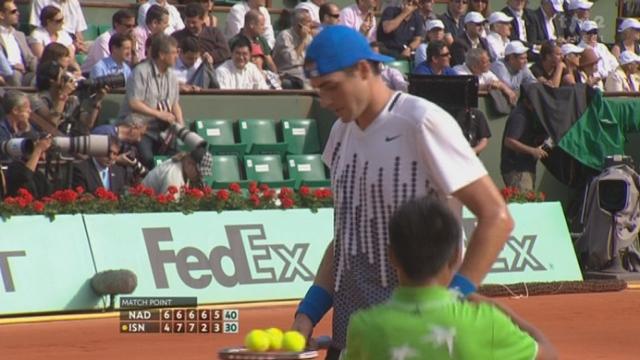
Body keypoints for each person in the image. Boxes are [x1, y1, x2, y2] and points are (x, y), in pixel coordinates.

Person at [294, 25, 514, 358]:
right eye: (318, 90)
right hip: (354, 339)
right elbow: (346, 237)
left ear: (364, 70)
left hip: (420, 343)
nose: (324, 101)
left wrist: (453, 301)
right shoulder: (340, 133)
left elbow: (496, 217)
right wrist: (307, 314)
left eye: (331, 87)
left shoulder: (423, 122)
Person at [343, 196, 556, 360]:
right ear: (455, 255)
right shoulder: (487, 320)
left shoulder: (363, 326)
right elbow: (549, 354)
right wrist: (498, 308)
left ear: (392, 256)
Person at [120, 33, 184, 169]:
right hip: (140, 128)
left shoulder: (172, 76)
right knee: (149, 160)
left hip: (163, 130)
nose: (176, 56)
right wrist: (158, 114)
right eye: (173, 52)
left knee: (179, 157)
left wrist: (181, 127)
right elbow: (134, 103)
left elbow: (174, 104)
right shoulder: (140, 72)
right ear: (162, 55)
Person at [32, 60, 105, 134]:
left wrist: (97, 101)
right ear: (52, 81)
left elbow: (88, 124)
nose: (67, 79)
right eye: (62, 76)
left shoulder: (71, 100)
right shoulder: (38, 100)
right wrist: (63, 95)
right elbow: (52, 123)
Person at [501, 97, 548, 192]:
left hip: (525, 168)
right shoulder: (520, 116)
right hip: (517, 169)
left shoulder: (528, 115)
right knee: (524, 202)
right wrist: (533, 151)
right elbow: (509, 141)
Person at [142, 146, 213, 196]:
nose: (200, 177)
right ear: (189, 162)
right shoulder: (173, 176)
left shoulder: (182, 165)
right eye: (199, 172)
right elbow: (168, 209)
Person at [81, 9, 135, 74]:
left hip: (119, 74)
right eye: (128, 26)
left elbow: (135, 66)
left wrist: (133, 49)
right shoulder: (105, 39)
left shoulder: (132, 39)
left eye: (134, 26)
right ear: (116, 24)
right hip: (91, 76)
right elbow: (106, 67)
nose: (132, 29)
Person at [0, 0, 38, 86]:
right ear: (1, 15)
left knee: (41, 77)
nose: (18, 13)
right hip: (8, 74)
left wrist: (40, 71)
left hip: (25, 72)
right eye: (13, 12)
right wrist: (13, 66)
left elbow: (30, 58)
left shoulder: (19, 35)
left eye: (17, 11)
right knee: (14, 75)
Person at [273, 9, 313, 87]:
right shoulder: (285, 36)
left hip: (303, 70)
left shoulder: (309, 37)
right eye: (308, 22)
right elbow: (292, 61)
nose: (311, 24)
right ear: (299, 25)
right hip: (287, 72)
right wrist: (303, 40)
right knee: (308, 83)